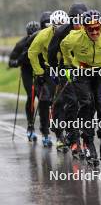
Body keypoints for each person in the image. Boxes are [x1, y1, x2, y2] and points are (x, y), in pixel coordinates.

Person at [60, 10, 101, 166]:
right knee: (87, 105)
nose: (95, 32)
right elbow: (64, 46)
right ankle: (89, 146)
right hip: (82, 71)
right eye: (91, 29)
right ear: (84, 28)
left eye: (97, 28)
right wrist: (69, 64)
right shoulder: (74, 38)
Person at [48, 3, 89, 155]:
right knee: (72, 102)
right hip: (66, 69)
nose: (79, 24)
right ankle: (73, 139)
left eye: (82, 20)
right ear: (70, 20)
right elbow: (52, 54)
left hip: (85, 68)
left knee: (86, 103)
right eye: (75, 20)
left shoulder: (90, 27)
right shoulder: (61, 32)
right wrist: (54, 71)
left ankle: (86, 139)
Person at [28, 10, 69, 147]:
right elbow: (32, 53)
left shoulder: (73, 32)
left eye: (63, 26)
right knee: (46, 100)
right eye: (56, 27)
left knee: (63, 101)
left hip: (66, 68)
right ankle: (45, 132)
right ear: (51, 25)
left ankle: (61, 134)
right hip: (49, 69)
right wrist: (39, 72)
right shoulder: (43, 35)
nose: (60, 30)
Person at [9, 21, 40, 141]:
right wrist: (17, 63)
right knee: (31, 94)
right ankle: (30, 125)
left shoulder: (42, 41)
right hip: (27, 71)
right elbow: (11, 61)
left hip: (39, 70)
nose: (32, 38)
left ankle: (46, 126)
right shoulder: (20, 44)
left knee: (43, 97)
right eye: (30, 35)